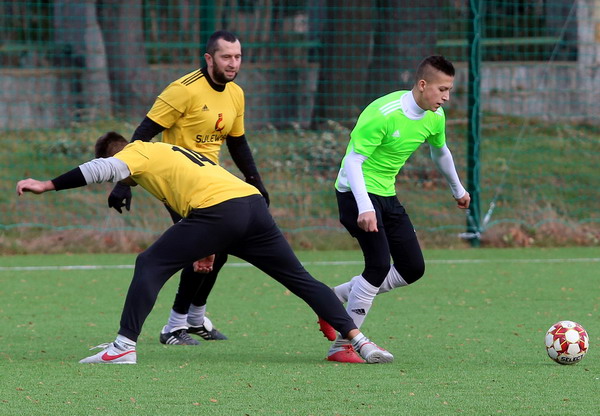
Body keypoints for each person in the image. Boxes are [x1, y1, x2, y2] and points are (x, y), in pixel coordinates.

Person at [16, 132, 393, 365]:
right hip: (251, 205)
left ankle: (123, 346)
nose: (120, 178)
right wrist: (208, 247)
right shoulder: (169, 153)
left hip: (221, 211)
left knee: (148, 263)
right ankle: (360, 342)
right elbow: (196, 206)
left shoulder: (137, 152)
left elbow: (100, 169)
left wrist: (47, 185)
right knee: (300, 279)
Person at [107, 30, 269, 345]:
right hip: (178, 184)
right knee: (201, 248)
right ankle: (174, 325)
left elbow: (238, 142)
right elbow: (142, 136)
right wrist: (123, 183)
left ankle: (194, 318)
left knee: (219, 251)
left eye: (237, 57)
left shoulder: (236, 93)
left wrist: (256, 183)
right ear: (209, 58)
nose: (233, 63)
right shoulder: (182, 91)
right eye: (226, 56)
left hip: (212, 183)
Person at [319, 56, 471, 363]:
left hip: (386, 194)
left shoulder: (434, 117)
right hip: (355, 193)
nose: (446, 97)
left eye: (450, 90)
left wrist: (458, 189)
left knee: (412, 267)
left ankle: (332, 302)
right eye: (442, 89)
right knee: (377, 265)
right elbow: (353, 161)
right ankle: (342, 347)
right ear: (423, 84)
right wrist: (365, 207)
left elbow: (440, 151)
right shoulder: (383, 113)